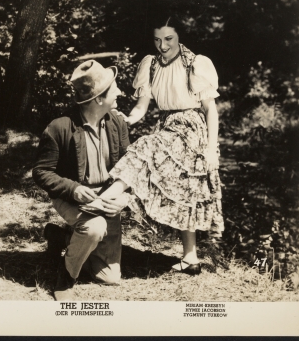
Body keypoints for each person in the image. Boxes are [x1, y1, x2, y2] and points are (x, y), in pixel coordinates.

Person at [90, 15, 224, 275]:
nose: (162, 46)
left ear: (179, 37)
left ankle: (104, 198)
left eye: (168, 39)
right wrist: (127, 118)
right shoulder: (150, 65)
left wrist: (210, 149)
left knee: (147, 149)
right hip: (167, 125)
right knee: (183, 191)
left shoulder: (196, 64)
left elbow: (211, 111)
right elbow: (142, 107)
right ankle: (190, 259)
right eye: (157, 40)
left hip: (192, 128)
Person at [33, 60, 130, 301]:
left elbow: (131, 167)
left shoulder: (117, 123)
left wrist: (125, 198)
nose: (119, 92)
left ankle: (61, 238)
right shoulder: (60, 127)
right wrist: (74, 189)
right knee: (93, 228)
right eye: (114, 88)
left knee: (109, 277)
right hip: (72, 197)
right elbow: (42, 172)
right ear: (98, 99)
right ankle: (65, 278)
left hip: (107, 200)